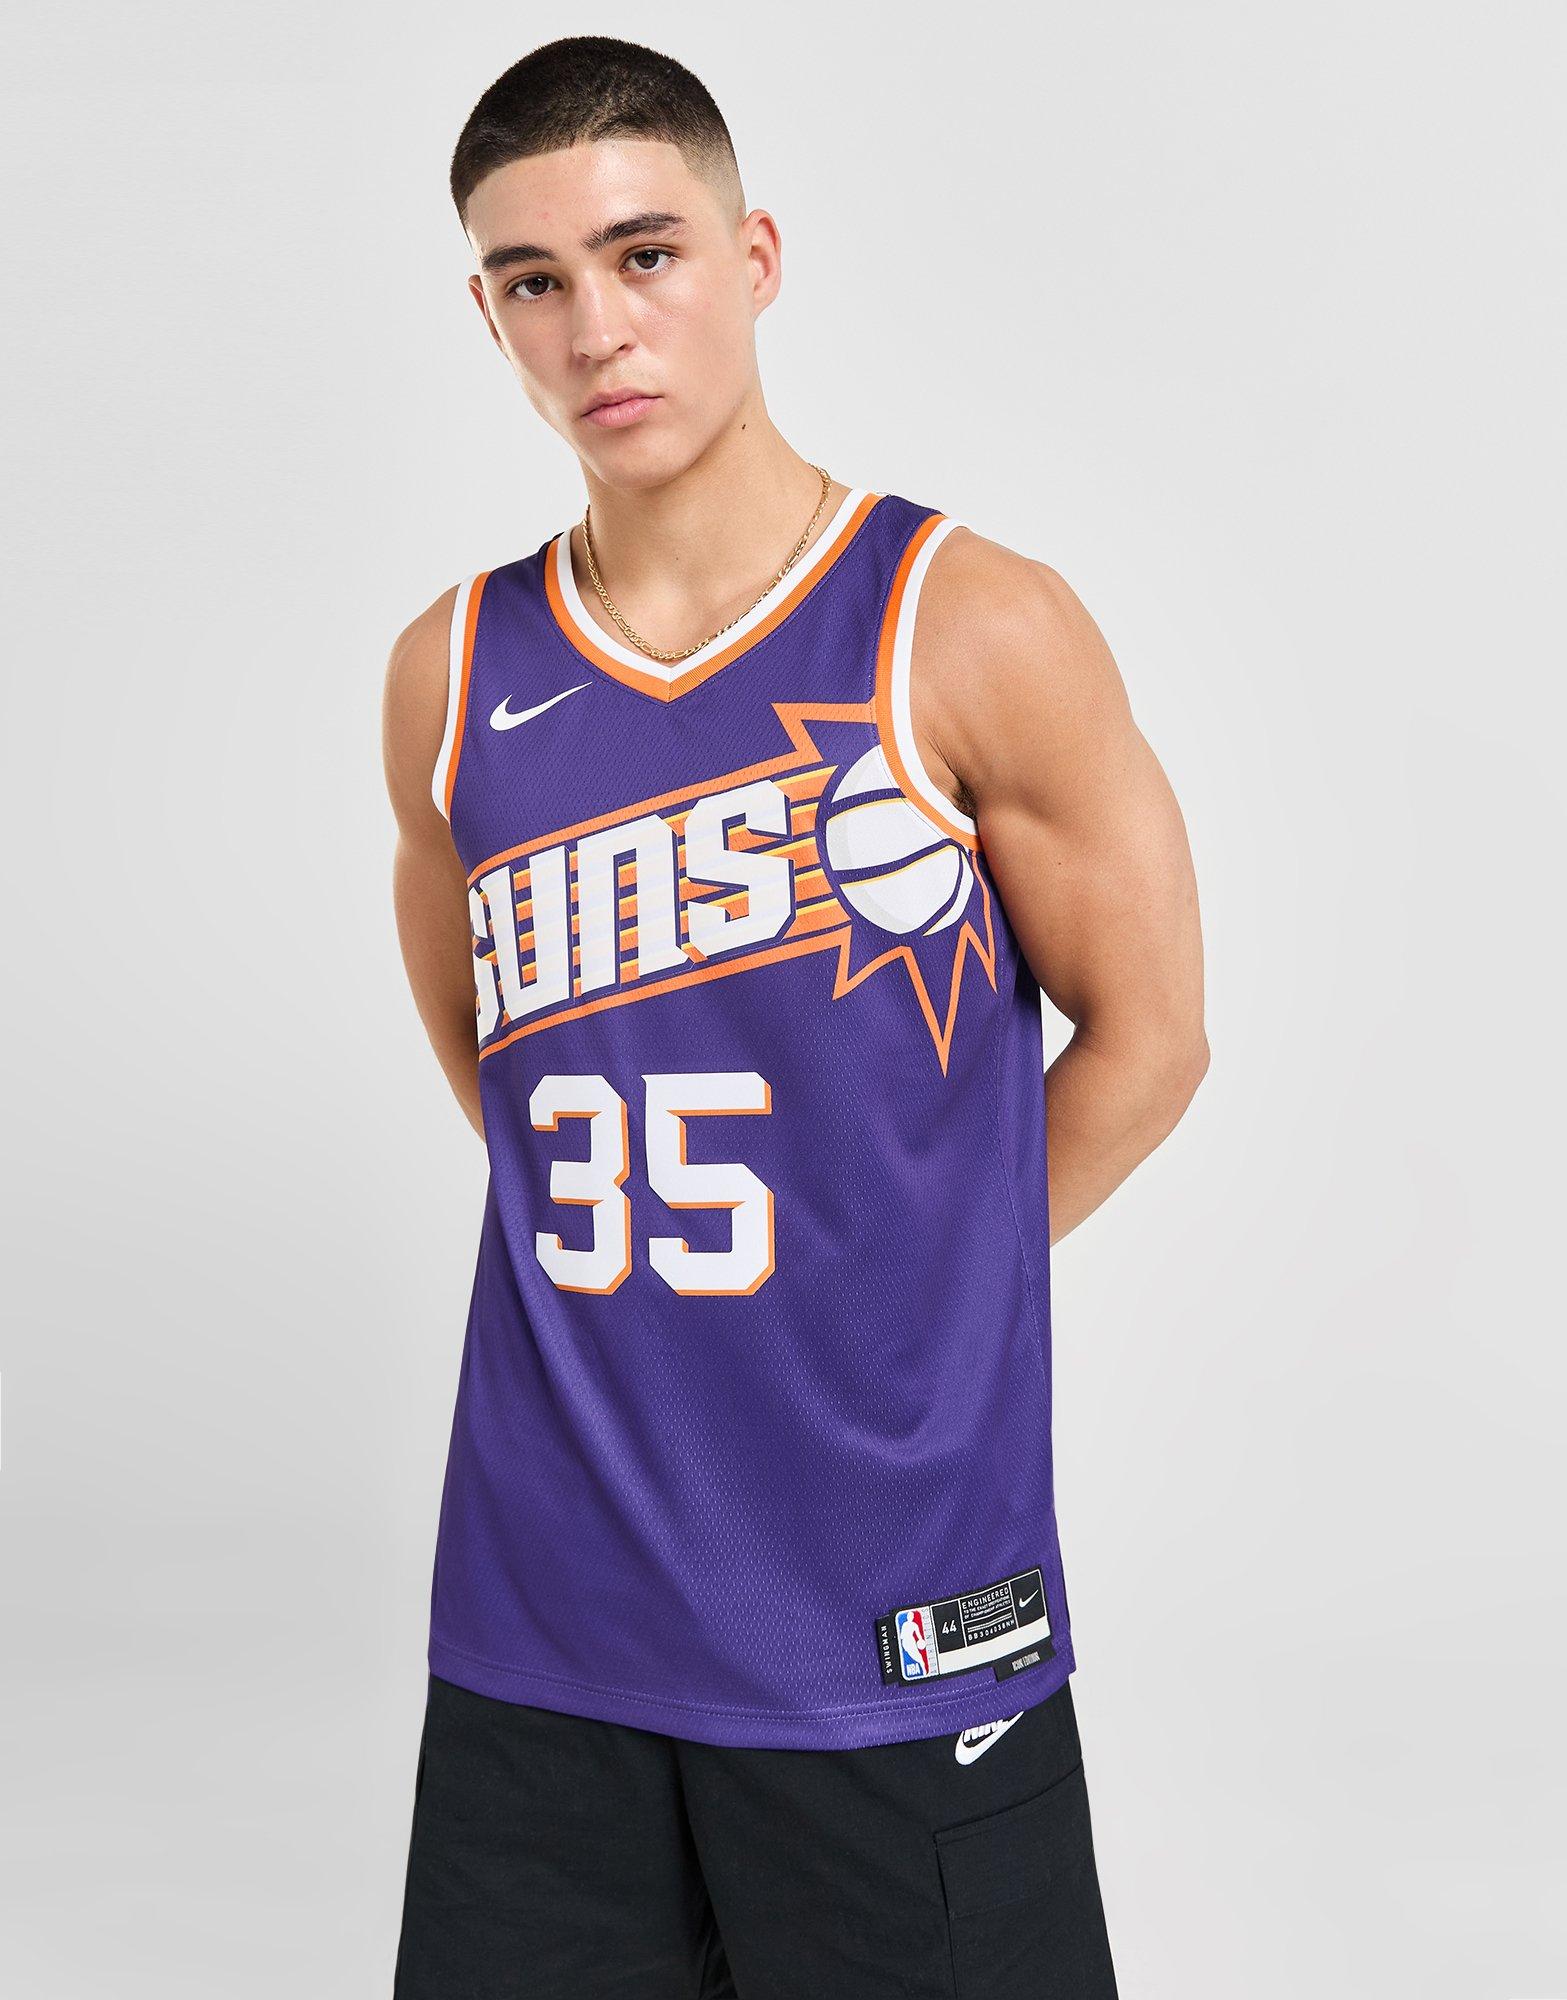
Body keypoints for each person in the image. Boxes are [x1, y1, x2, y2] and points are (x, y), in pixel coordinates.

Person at [380, 33, 1206, 1999]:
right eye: (533, 280)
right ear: (487, 316)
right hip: (543, 1610)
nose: (597, 327)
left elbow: (1152, 1036)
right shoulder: (453, 670)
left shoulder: (965, 620)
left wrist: (915, 1278)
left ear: (754, 257)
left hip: (889, 1599)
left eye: (645, 253)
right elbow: (500, 1060)